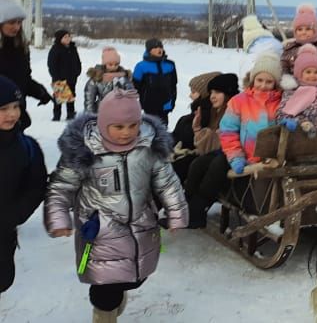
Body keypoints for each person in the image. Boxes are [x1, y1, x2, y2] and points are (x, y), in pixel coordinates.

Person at [43, 89, 188, 322]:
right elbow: (60, 187)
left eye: (132, 126)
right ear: (103, 124)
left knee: (135, 278)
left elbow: (168, 183)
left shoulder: (148, 147)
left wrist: (177, 214)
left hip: (141, 227)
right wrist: (58, 218)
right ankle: (104, 315)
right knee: (104, 290)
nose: (126, 133)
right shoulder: (85, 151)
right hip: (100, 232)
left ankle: (113, 303)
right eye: (118, 127)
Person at [184, 54, 282, 228]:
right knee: (198, 164)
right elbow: (228, 131)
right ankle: (186, 207)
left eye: (269, 82)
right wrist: (235, 155)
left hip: (262, 156)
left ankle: (197, 211)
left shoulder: (281, 102)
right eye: (259, 80)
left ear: (276, 83)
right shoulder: (240, 101)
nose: (263, 85)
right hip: (238, 150)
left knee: (216, 167)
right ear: (253, 79)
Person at [0, 76, 47, 300]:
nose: (12, 114)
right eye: (3, 108)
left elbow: (36, 187)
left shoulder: (26, 147)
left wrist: (15, 214)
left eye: (16, 107)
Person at [0, 0, 52, 130]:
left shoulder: (20, 48)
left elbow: (22, 79)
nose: (16, 27)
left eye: (19, 22)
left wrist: (40, 92)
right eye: (11, 22)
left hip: (15, 116)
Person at [277, 44, 317, 136]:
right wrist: (302, 121)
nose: (312, 75)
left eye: (316, 72)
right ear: (299, 73)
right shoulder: (292, 92)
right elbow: (282, 114)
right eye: (308, 72)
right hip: (300, 138)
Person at [281, 4, 317, 87]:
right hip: (295, 92)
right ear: (295, 31)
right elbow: (284, 69)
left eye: (308, 29)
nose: (303, 32)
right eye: (300, 29)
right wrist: (289, 81)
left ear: (315, 30)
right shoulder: (289, 49)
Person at [132, 39, 178, 125]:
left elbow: (173, 85)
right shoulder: (141, 66)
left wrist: (172, 102)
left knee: (163, 129)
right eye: (155, 47)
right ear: (149, 50)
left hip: (165, 105)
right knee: (150, 129)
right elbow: (135, 87)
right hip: (149, 106)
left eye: (161, 47)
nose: (159, 49)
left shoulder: (170, 64)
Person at [84, 47, 134, 114]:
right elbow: (89, 99)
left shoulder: (123, 76)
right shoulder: (97, 77)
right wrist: (90, 116)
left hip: (121, 112)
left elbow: (130, 94)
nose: (113, 67)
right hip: (102, 112)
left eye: (116, 64)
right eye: (110, 64)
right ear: (105, 64)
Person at [48, 29, 83, 121]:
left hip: (72, 77)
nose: (68, 38)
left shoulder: (72, 48)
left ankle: (70, 114)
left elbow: (77, 61)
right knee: (59, 97)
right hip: (59, 77)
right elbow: (52, 64)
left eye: (69, 36)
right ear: (60, 39)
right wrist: (55, 77)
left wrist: (77, 71)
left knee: (71, 96)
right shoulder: (56, 49)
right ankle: (57, 115)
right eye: (65, 37)